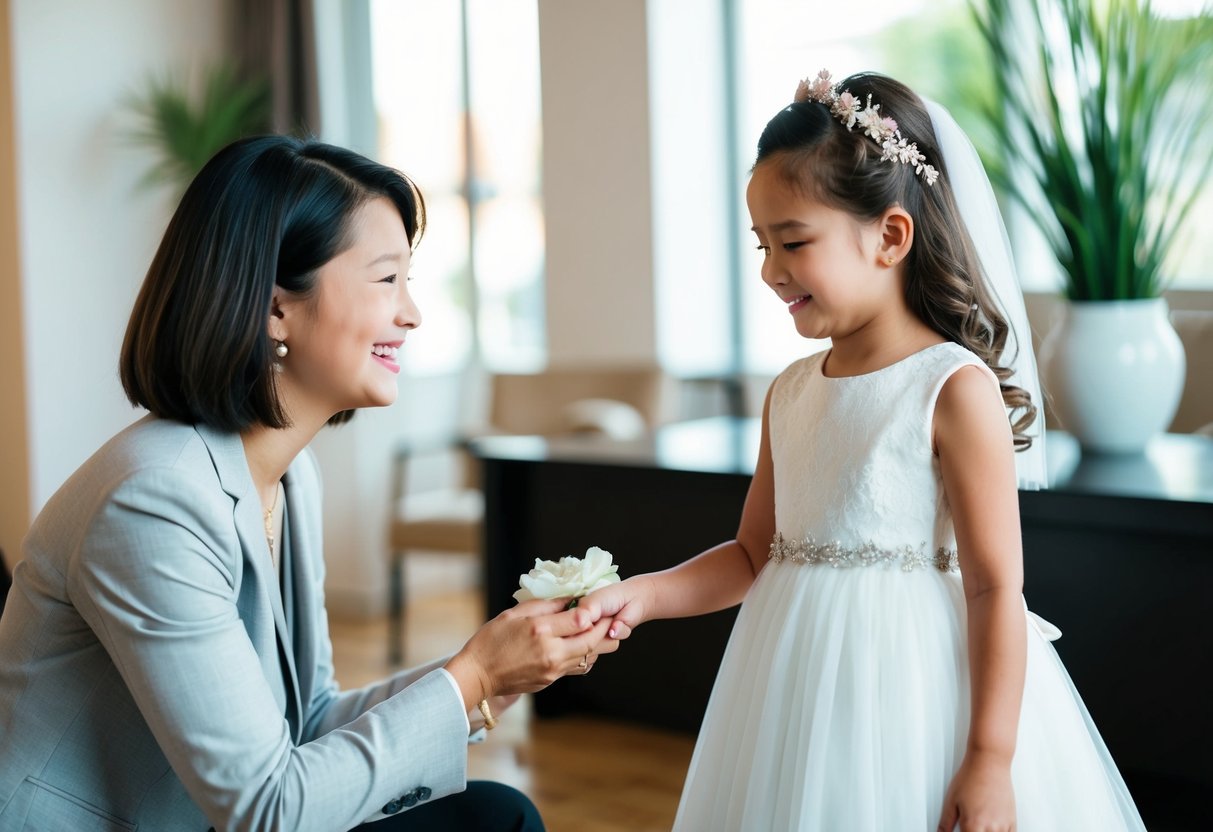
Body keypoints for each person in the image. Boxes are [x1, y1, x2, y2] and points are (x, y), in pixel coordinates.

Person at [580, 72, 1146, 831]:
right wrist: (644, 596)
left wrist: (987, 757)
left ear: (888, 236)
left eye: (794, 242)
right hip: (792, 685)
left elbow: (993, 590)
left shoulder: (950, 387)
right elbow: (753, 555)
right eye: (762, 245)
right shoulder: (789, 391)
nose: (770, 271)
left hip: (913, 696)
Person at [0, 135, 612, 832]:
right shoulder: (153, 501)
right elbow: (268, 809)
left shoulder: (290, 477)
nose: (411, 314)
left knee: (494, 814)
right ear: (274, 309)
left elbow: (310, 718)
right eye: (386, 280)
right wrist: (471, 677)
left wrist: (489, 672)